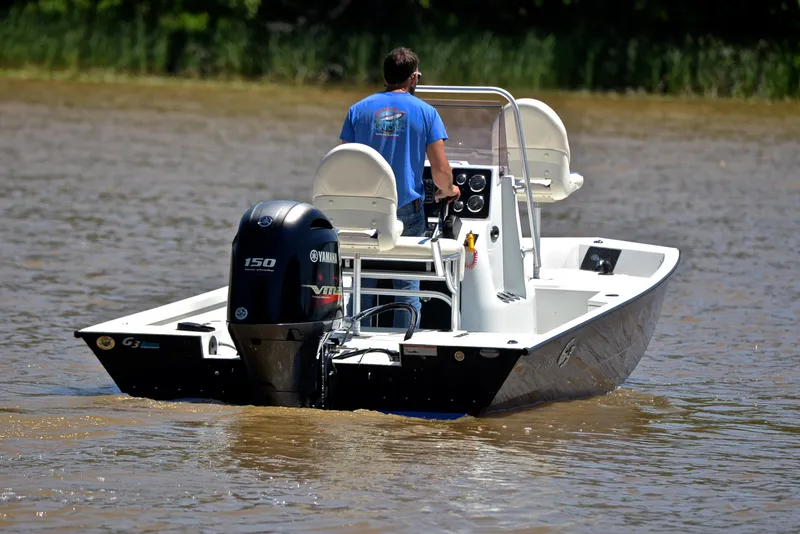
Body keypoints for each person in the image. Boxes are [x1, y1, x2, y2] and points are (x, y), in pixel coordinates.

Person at [339, 47, 460, 328]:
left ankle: (354, 335)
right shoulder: (427, 113)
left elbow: (345, 162)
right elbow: (441, 172)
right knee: (406, 283)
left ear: (385, 76)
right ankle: (405, 343)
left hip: (364, 211)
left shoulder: (357, 111)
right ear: (414, 77)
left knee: (362, 279)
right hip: (405, 209)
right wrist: (450, 190)